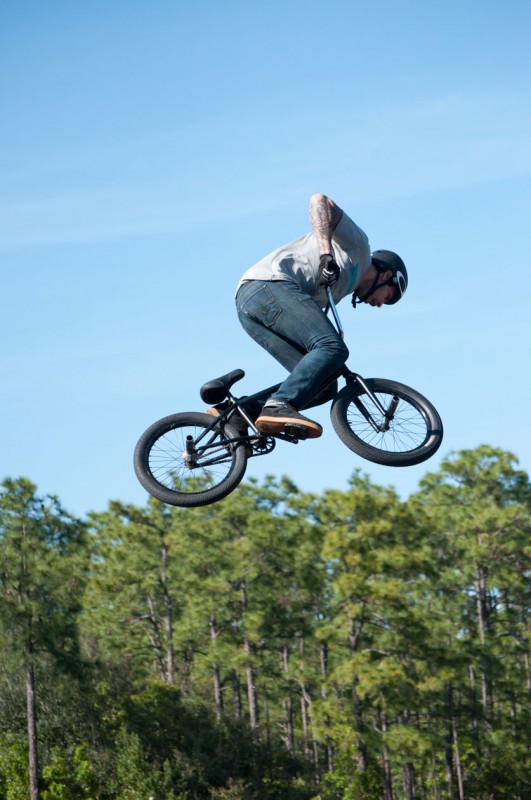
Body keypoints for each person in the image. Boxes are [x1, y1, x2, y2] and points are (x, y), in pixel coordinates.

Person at [231, 193, 408, 439]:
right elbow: (319, 201)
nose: (379, 306)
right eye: (387, 298)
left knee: (323, 387)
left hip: (250, 308)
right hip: (267, 285)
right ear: (387, 275)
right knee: (333, 347)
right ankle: (278, 404)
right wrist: (326, 254)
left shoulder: (338, 290)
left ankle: (239, 416)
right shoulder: (359, 248)